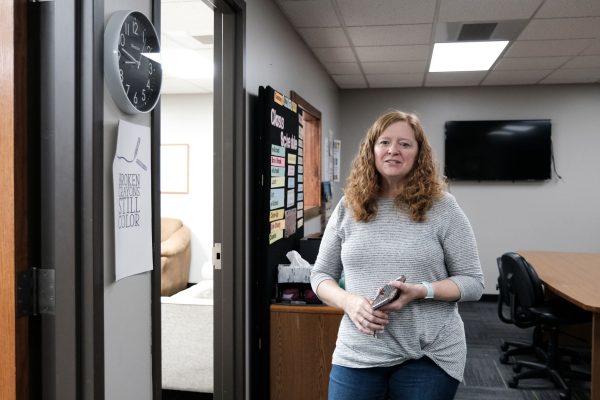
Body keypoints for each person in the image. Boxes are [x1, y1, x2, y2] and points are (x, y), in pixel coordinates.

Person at [310, 110, 484, 400]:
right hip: (359, 351)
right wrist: (350, 302)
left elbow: (474, 282)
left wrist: (421, 291)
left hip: (428, 354)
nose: (393, 150)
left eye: (405, 144)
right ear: (372, 150)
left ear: (418, 153)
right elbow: (320, 275)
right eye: (385, 142)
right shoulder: (349, 206)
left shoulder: (443, 207)